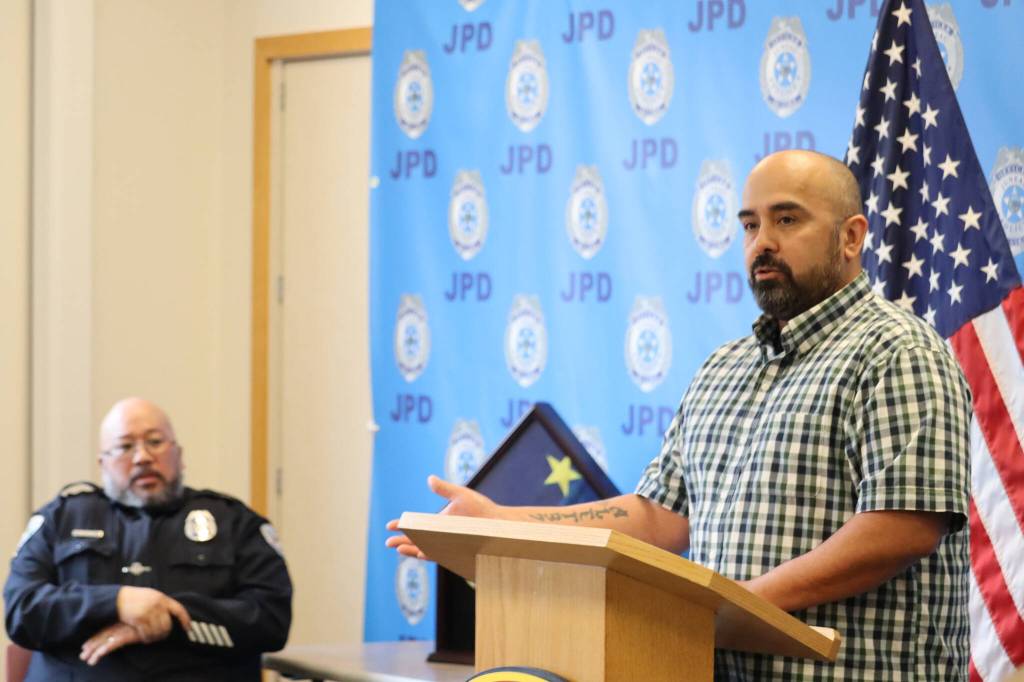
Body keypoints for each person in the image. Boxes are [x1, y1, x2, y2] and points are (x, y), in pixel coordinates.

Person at [387, 150, 971, 680]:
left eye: (786, 220)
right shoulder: (723, 368)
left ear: (851, 237)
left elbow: (901, 528)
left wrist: (732, 605)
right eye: (749, 224)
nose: (761, 241)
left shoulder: (899, 352)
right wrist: (502, 521)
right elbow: (656, 517)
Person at [4, 397, 293, 681]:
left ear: (178, 454)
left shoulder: (233, 521)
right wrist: (114, 602)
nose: (142, 457)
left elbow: (271, 619)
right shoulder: (61, 518)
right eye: (125, 446)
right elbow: (22, 610)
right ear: (102, 463)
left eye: (155, 442)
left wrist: (171, 619)